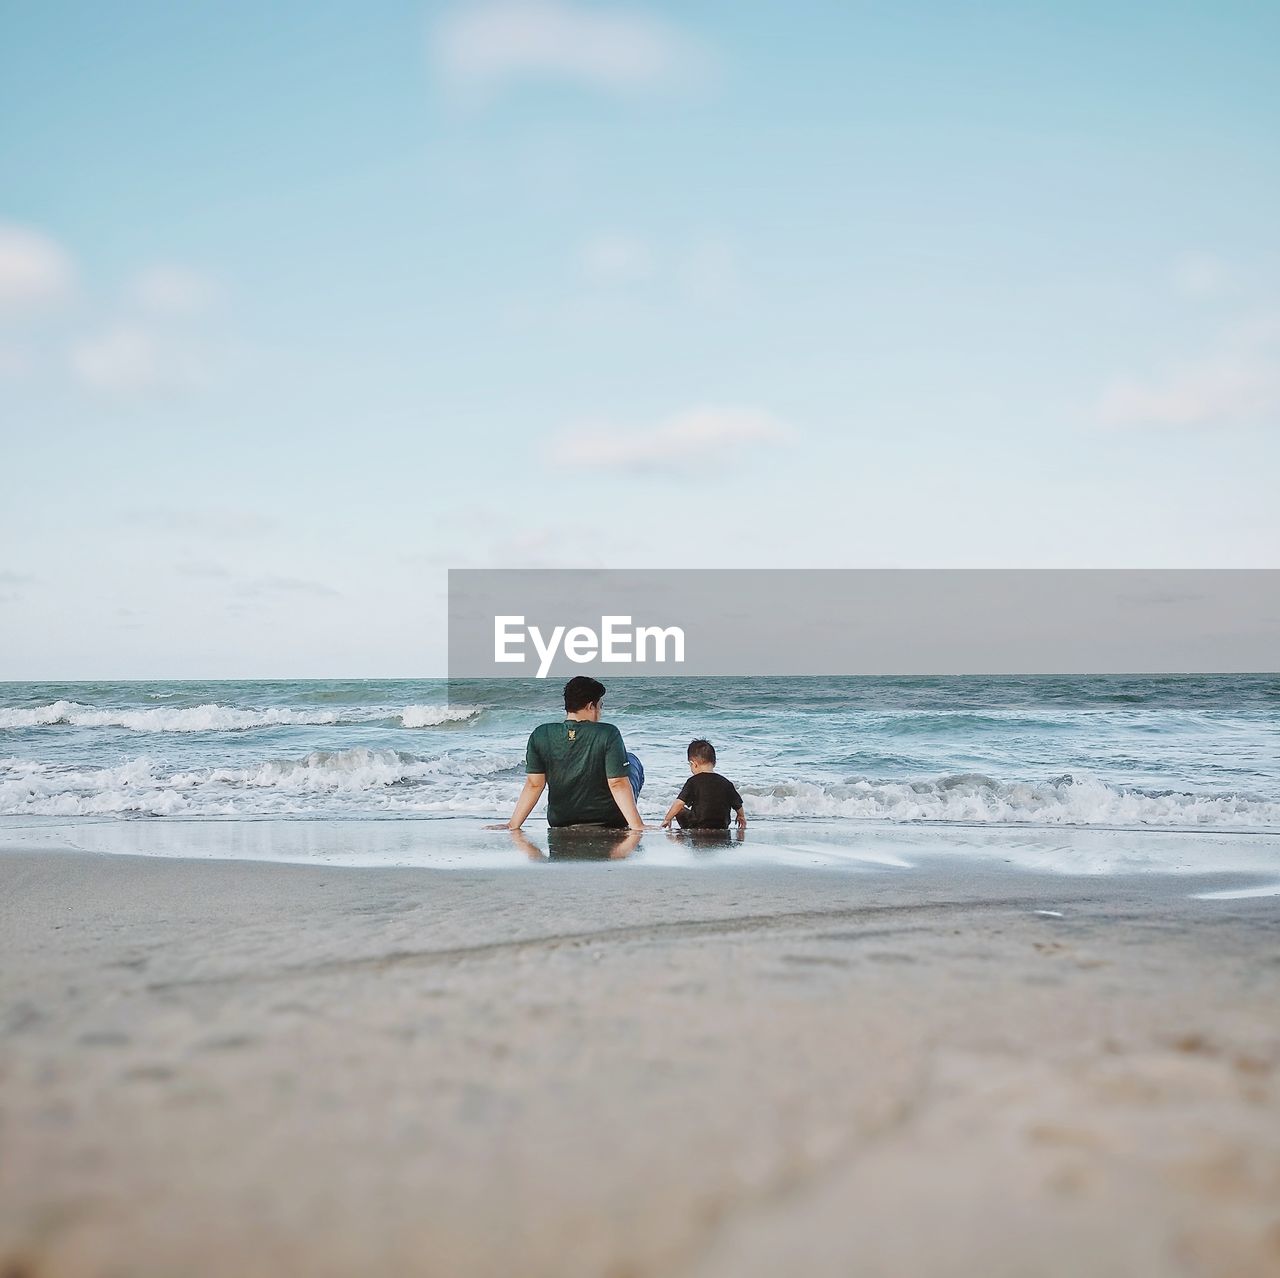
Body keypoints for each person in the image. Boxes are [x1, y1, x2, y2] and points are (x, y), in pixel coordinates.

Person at [499, 676, 645, 831]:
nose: (600, 711)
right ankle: (629, 816)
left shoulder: (540, 734)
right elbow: (617, 783)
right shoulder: (608, 732)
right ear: (591, 706)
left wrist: (513, 825)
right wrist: (637, 826)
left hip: (560, 819)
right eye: (600, 706)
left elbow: (534, 784)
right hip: (611, 818)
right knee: (631, 759)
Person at [661, 739, 746, 831]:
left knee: (680, 809)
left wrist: (667, 819)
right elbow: (738, 804)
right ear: (714, 763)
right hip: (722, 824)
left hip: (697, 825)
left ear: (693, 764)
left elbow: (679, 803)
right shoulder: (726, 782)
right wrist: (741, 816)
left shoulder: (692, 781)